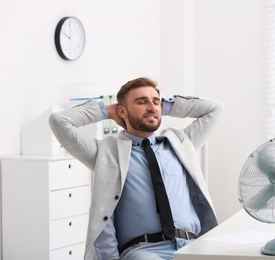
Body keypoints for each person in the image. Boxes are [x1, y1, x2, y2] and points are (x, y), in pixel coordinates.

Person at [49, 77, 225, 260]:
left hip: (193, 246)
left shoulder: (180, 143)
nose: (151, 106)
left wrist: (166, 106)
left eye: (156, 102)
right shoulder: (106, 154)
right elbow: (59, 121)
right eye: (141, 102)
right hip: (144, 251)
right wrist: (107, 111)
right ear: (121, 111)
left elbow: (215, 108)